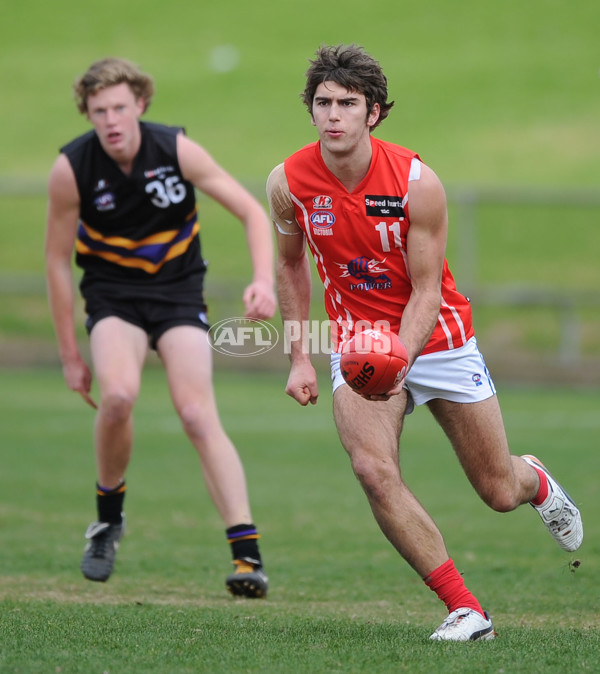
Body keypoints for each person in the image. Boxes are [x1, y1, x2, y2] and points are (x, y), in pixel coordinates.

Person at [267, 44, 583, 639]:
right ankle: (465, 609)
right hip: (359, 345)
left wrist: (399, 359)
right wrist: (299, 359)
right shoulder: (288, 182)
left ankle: (534, 479)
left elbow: (427, 289)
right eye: (323, 103)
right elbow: (289, 268)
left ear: (374, 114)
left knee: (496, 490)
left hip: (437, 339)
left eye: (348, 104)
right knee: (371, 469)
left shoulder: (417, 182)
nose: (333, 115)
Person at [45, 57, 275, 598]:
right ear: (89, 115)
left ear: (140, 105)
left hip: (175, 294)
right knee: (119, 396)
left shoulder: (174, 150)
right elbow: (57, 262)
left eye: (120, 107)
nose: (111, 120)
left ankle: (247, 556)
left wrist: (263, 280)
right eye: (99, 111)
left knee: (197, 413)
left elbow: (251, 211)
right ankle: (107, 520)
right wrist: (68, 355)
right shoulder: (72, 168)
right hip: (113, 298)